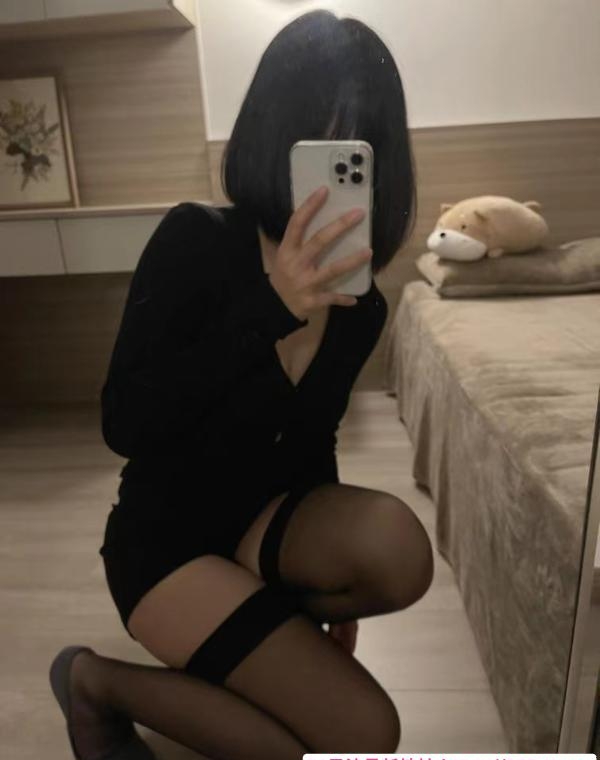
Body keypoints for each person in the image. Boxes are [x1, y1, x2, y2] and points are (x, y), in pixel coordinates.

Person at [49, 9, 433, 759]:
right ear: (272, 132)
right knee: (358, 736)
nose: (338, 163)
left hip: (264, 531)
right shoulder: (195, 240)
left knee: (397, 547)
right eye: (316, 136)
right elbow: (125, 422)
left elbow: (313, 442)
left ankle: (248, 632)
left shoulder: (361, 308)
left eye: (359, 143)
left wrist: (328, 600)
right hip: (168, 541)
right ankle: (94, 683)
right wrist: (270, 309)